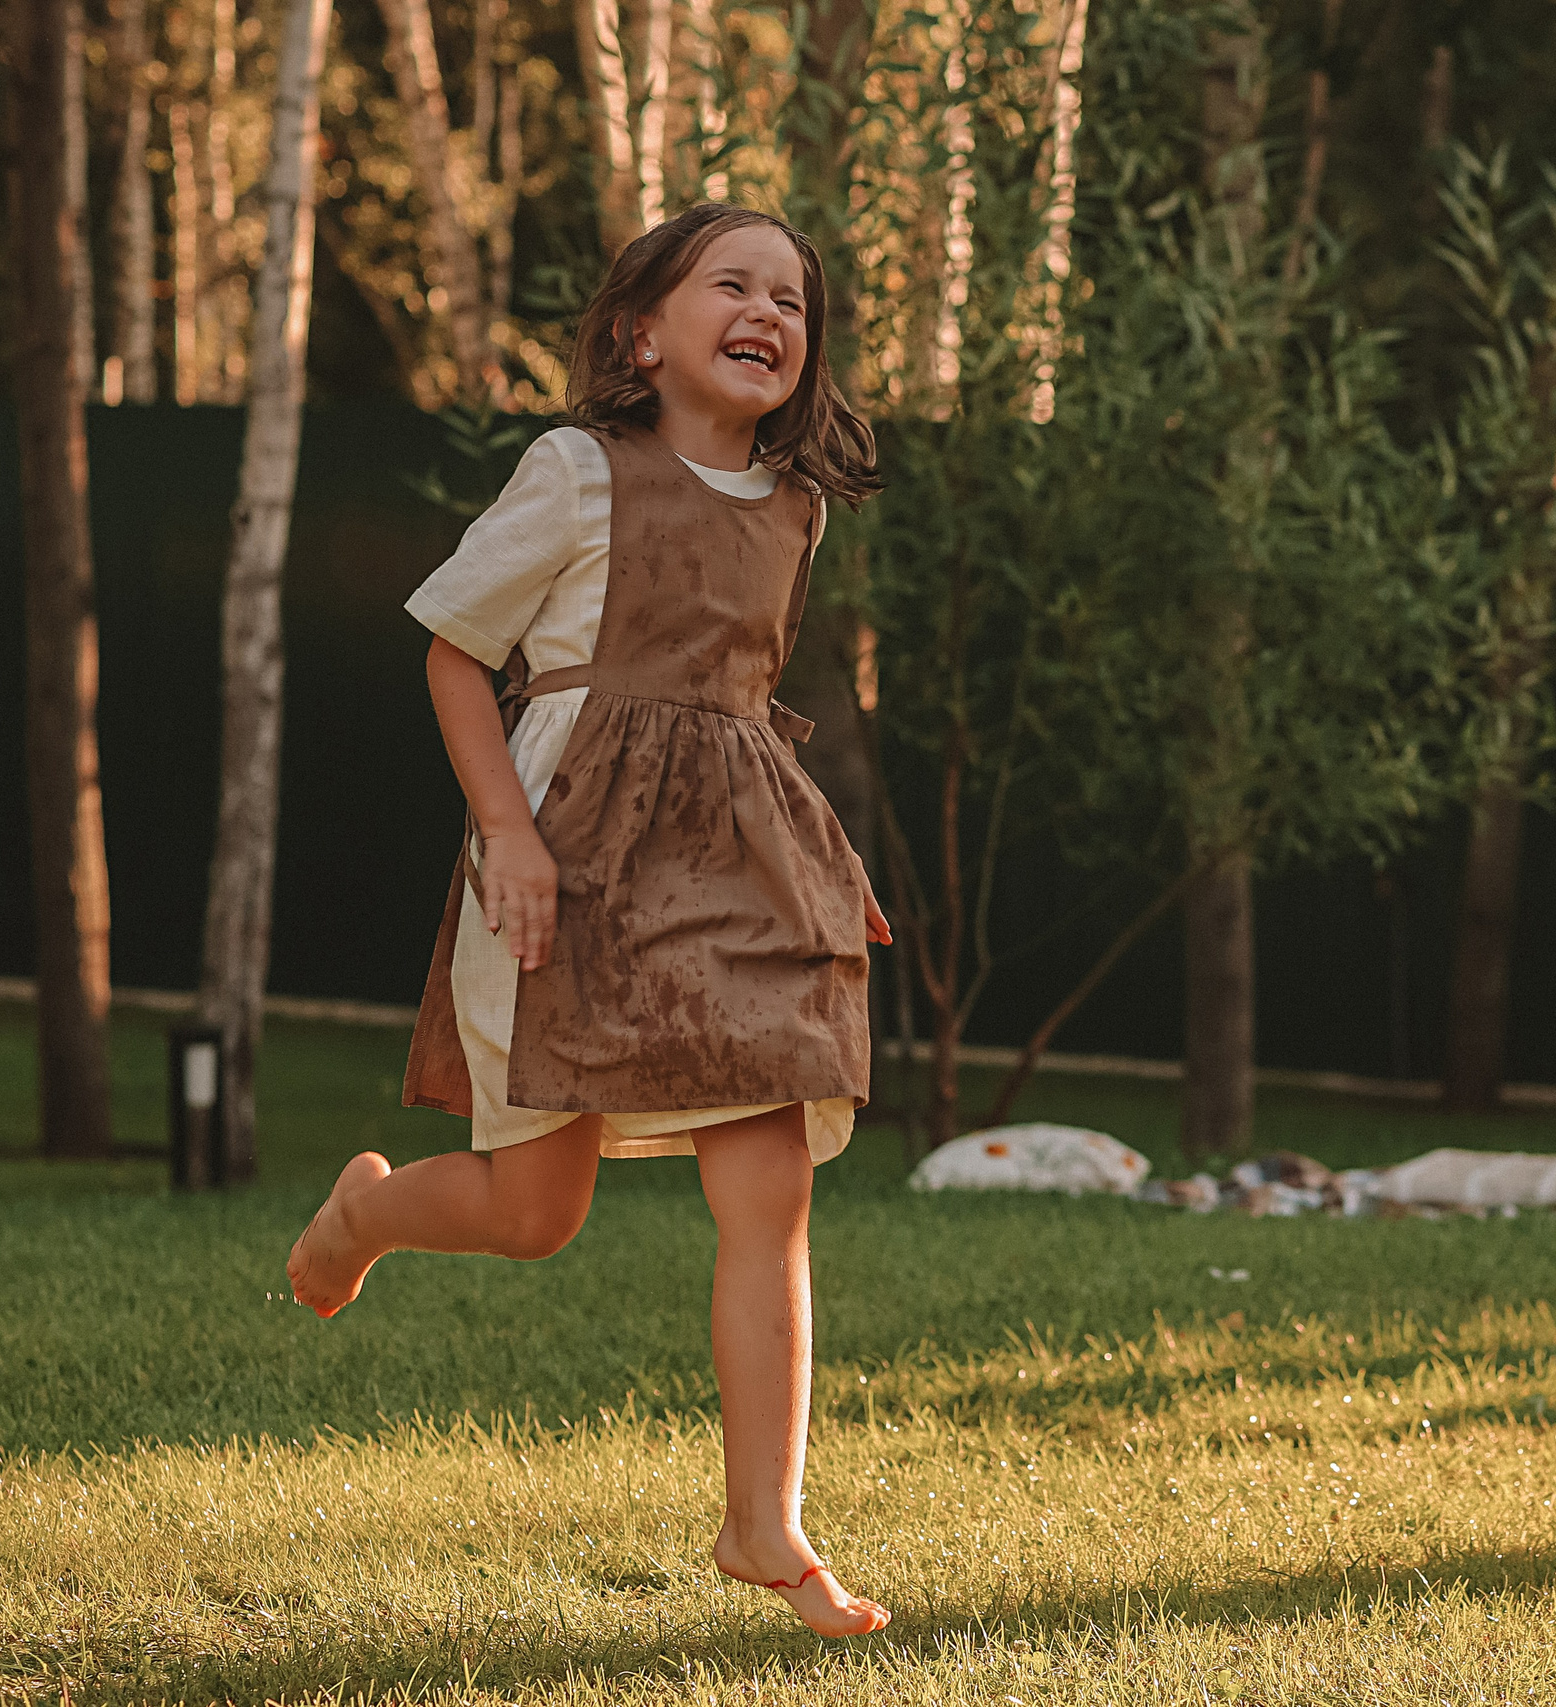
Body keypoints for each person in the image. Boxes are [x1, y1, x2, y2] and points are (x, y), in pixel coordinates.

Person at [285, 204, 892, 1639]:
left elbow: (740, 714)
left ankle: (765, 1525)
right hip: (576, 864)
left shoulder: (794, 512)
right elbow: (454, 654)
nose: (769, 313)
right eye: (733, 285)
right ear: (641, 332)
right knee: (532, 1214)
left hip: (746, 880)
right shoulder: (576, 472)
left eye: (792, 301)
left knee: (771, 1190)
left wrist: (828, 858)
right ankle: (366, 1212)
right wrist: (508, 837)